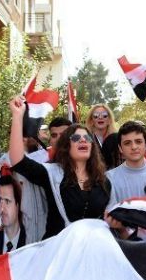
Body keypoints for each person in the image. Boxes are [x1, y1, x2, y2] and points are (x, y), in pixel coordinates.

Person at [9, 96, 111, 239]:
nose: (83, 140)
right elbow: (18, 161)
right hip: (58, 251)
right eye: (75, 138)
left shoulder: (104, 182)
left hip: (91, 251)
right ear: (66, 146)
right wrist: (17, 116)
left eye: (87, 138)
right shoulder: (52, 174)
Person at [105, 121, 146, 209]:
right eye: (127, 143)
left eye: (138, 141)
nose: (134, 147)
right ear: (120, 148)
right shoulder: (109, 177)